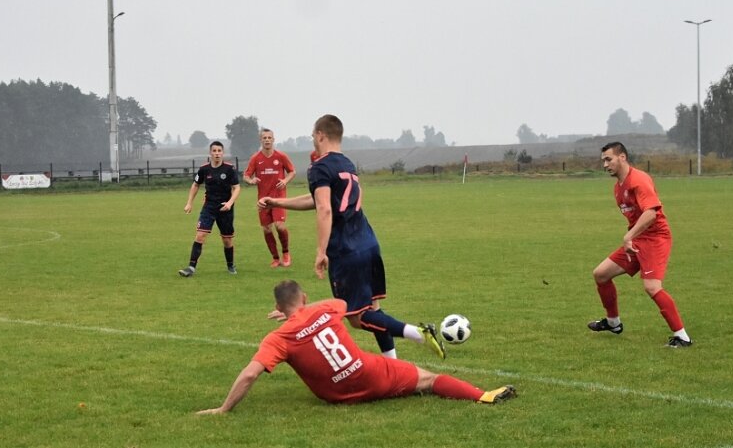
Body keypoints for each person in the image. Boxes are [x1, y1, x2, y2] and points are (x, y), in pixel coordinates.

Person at [257, 114, 445, 360]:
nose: (313, 139)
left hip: (346, 249)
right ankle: (393, 364)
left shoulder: (319, 166)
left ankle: (418, 333)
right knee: (374, 309)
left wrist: (321, 251)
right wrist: (277, 201)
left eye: (314, 134)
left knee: (356, 317)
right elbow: (318, 200)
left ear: (321, 135)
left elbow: (324, 209)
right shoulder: (347, 164)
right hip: (367, 241)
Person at [196, 280, 516, 414]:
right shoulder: (326, 308)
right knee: (429, 380)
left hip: (335, 396)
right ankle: (483, 395)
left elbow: (250, 375)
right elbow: (342, 301)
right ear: (304, 299)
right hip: (370, 374)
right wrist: (305, 310)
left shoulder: (277, 338)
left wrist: (224, 409)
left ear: (279, 307)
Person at [587, 142, 692, 347]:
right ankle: (613, 322)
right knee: (601, 274)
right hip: (638, 239)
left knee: (652, 287)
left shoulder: (639, 180)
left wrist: (629, 237)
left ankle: (682, 336)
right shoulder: (618, 187)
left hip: (655, 238)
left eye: (609, 159)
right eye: (603, 161)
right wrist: (632, 237)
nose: (605, 164)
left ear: (622, 157)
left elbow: (651, 213)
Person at [178, 140, 241, 277]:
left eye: (219, 151)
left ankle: (230, 265)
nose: (217, 154)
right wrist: (189, 203)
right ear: (210, 153)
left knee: (227, 240)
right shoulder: (204, 169)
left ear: (223, 153)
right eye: (214, 151)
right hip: (209, 207)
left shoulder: (229, 169)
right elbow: (195, 185)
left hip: (225, 208)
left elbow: (236, 188)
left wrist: (229, 203)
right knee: (200, 235)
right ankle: (191, 267)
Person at [243, 129, 296, 268]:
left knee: (279, 226)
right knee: (266, 229)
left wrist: (285, 181)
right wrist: (251, 181)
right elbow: (246, 176)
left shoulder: (281, 156)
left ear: (273, 139)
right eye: (264, 138)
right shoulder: (256, 158)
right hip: (263, 200)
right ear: (261, 140)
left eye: (269, 137)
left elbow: (292, 171)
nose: (267, 140)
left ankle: (285, 253)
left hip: (279, 198)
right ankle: (275, 258)